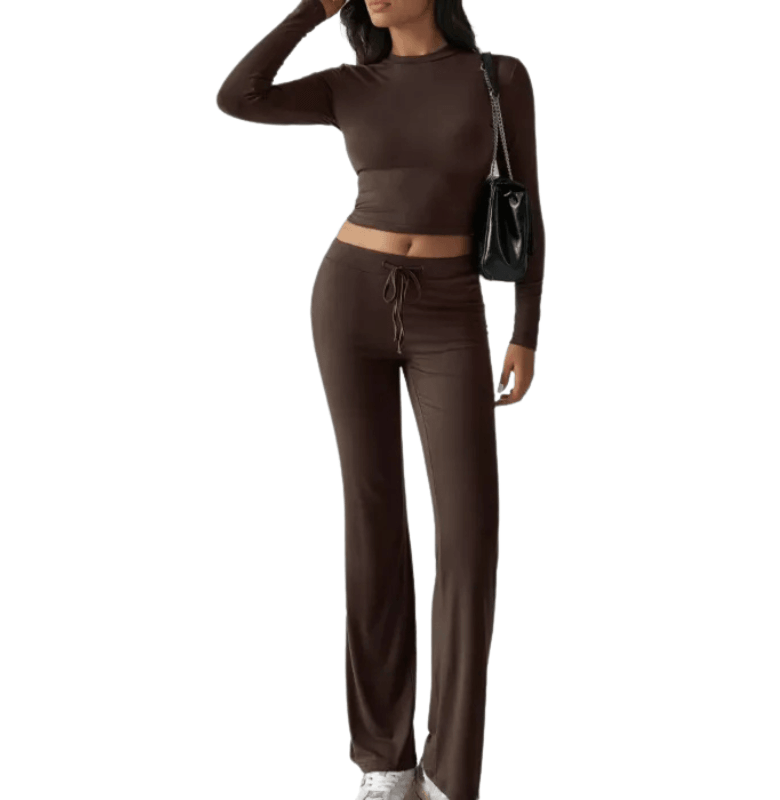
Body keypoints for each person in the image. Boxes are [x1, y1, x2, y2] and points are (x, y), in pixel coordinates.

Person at [216, 0, 545, 797]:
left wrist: (525, 330)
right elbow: (238, 96)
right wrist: (311, 10)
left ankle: (450, 772)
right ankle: (385, 762)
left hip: (450, 309)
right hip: (349, 297)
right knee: (372, 523)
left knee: (469, 534)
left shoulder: (497, 78)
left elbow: (528, 206)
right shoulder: (350, 84)